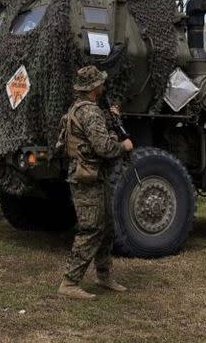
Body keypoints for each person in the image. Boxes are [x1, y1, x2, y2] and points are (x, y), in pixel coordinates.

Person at [58, 65, 133, 300]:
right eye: (100, 82)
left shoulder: (82, 109)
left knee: (107, 226)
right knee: (91, 229)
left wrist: (111, 119)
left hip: (93, 176)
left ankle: (103, 275)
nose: (104, 84)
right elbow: (104, 148)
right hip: (86, 177)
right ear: (93, 88)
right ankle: (69, 283)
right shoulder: (90, 113)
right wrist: (123, 146)